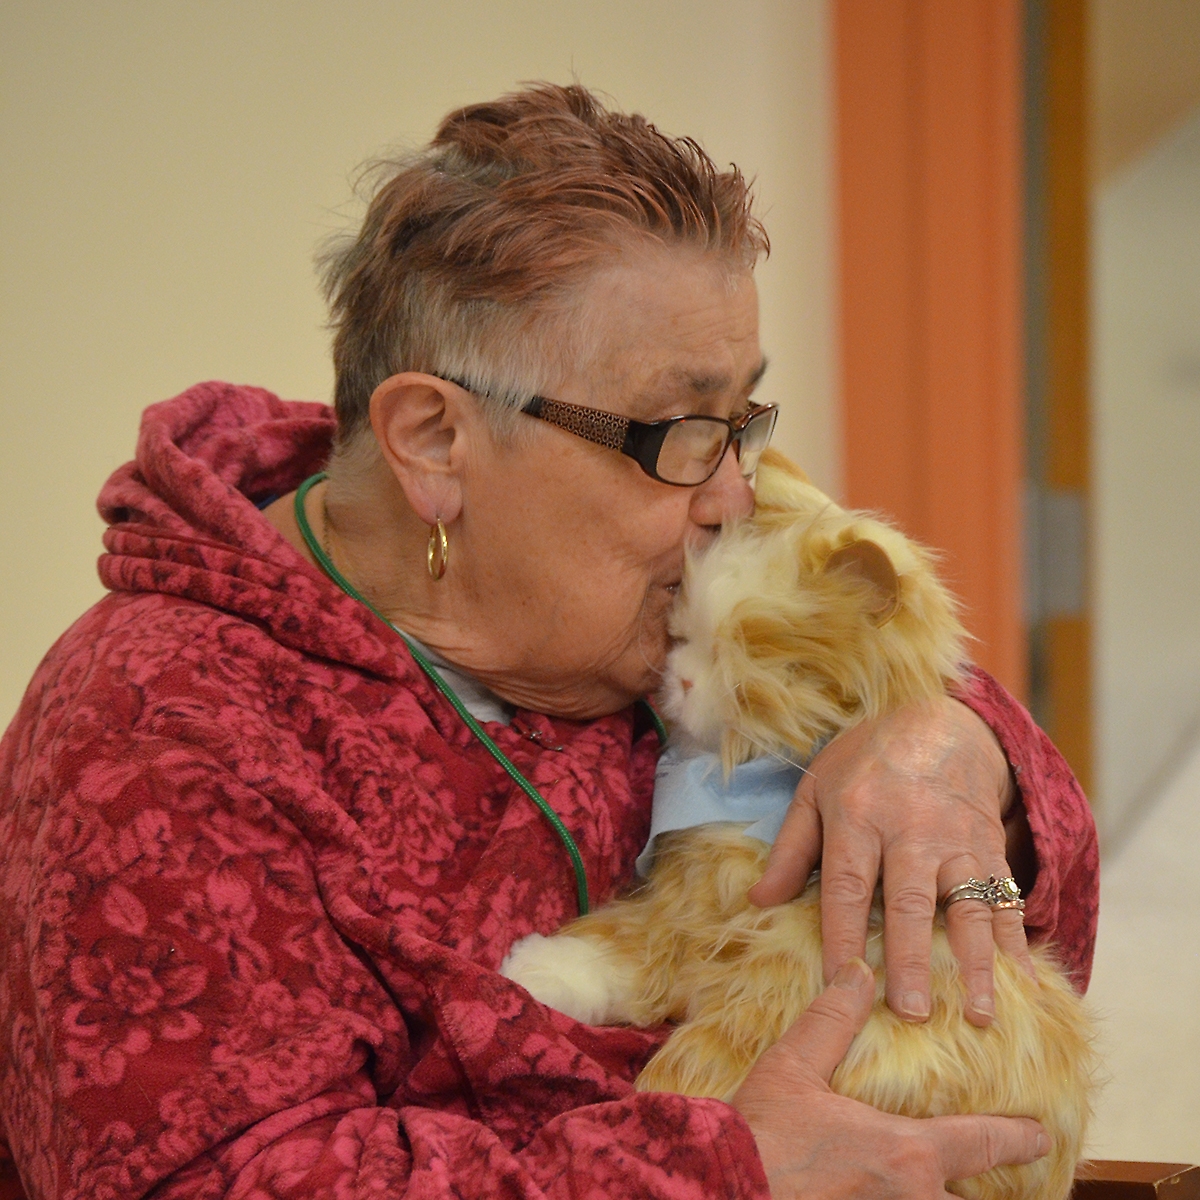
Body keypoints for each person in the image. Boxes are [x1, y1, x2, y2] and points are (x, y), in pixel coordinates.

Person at [0, 83, 1096, 1200]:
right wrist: (720, 1177)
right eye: (677, 432)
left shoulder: (623, 600)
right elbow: (211, 1176)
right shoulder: (159, 723)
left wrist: (954, 749)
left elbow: (1019, 889)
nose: (729, 496)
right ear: (433, 443)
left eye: (742, 424)